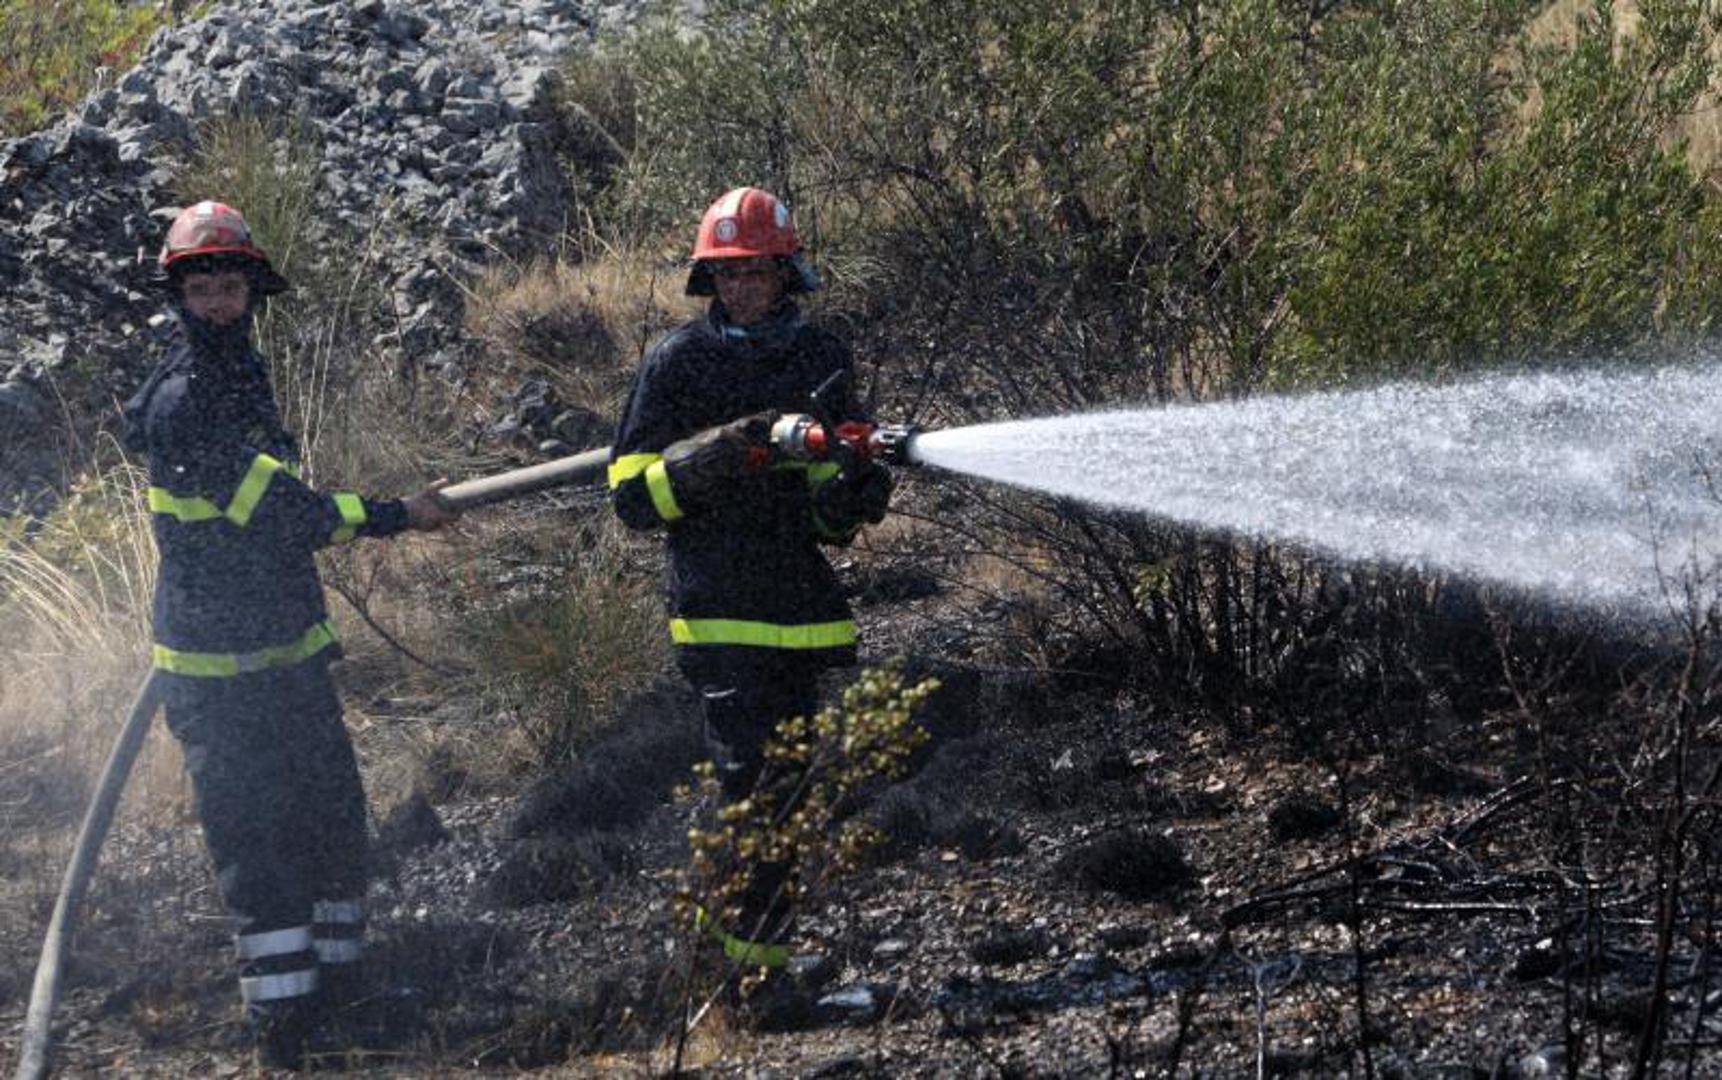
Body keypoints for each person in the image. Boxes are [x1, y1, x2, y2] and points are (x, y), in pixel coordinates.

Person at [123, 201, 459, 1069]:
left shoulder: (242, 373)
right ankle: (286, 1029)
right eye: (203, 288)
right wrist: (398, 515)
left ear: (251, 292)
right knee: (257, 851)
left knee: (333, 824)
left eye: (230, 286)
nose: (219, 302)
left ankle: (348, 992)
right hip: (217, 677)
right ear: (180, 296)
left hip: (288, 654)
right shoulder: (183, 402)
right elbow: (285, 515)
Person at [609, 187, 893, 987]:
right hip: (718, 608)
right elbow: (630, 497)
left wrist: (851, 492)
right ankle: (742, 986)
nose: (742, 288)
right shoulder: (677, 363)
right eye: (728, 274)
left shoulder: (821, 355)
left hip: (796, 612)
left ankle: (749, 968)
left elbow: (832, 512)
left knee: (786, 796)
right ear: (709, 279)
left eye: (757, 272)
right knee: (749, 792)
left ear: (786, 274)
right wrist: (712, 461)